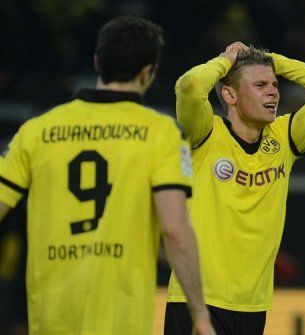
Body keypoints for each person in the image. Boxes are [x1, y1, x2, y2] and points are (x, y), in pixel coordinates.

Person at [0, 16, 214, 335]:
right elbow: (174, 229)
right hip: (122, 320)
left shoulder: (37, 130)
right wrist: (200, 314)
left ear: (97, 62)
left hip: (50, 317)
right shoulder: (161, 133)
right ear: (148, 72)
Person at [164, 42, 305, 334]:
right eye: (260, 84)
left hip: (253, 304)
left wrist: (273, 61)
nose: (273, 91)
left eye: (274, 84)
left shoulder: (285, 137)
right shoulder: (204, 132)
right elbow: (189, 85)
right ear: (230, 94)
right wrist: (226, 60)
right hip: (197, 300)